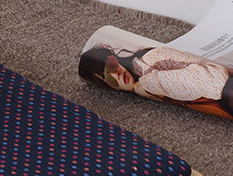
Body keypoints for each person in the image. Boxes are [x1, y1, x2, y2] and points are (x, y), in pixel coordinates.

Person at [79, 43, 233, 120]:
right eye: (108, 77)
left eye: (112, 65)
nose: (117, 74)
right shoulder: (143, 85)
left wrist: (145, 83)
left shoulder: (149, 59)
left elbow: (209, 80)